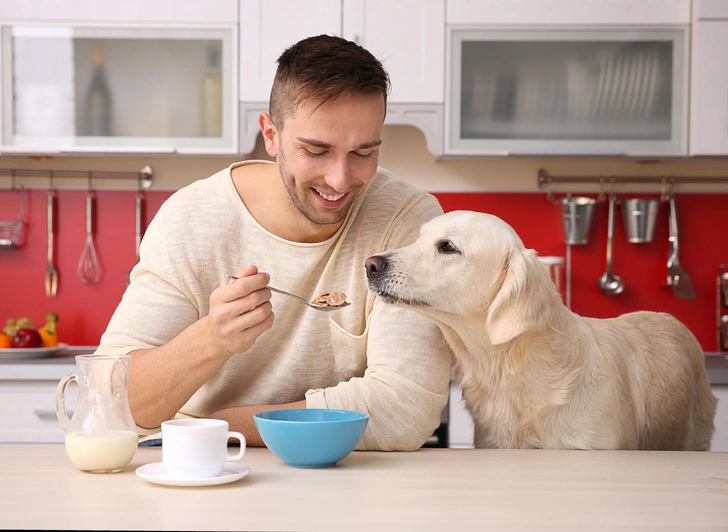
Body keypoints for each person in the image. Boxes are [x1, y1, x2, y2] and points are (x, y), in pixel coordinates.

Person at [96, 35, 453, 451]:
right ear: (271, 135)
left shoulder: (409, 222)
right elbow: (110, 400)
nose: (340, 180)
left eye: (363, 152)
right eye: (316, 150)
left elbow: (403, 408)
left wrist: (213, 427)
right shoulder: (192, 220)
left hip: (347, 481)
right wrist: (212, 339)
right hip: (205, 474)